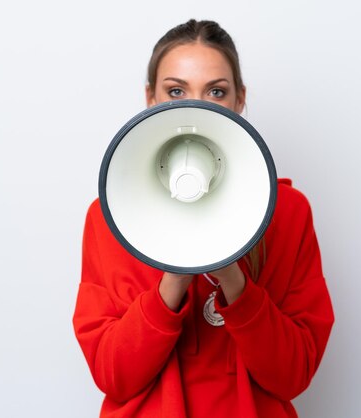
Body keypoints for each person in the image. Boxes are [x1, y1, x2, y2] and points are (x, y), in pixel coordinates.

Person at [73, 19, 334, 418]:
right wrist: (176, 269)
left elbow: (292, 376)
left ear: (240, 99)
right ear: (150, 98)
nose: (195, 106)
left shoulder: (289, 211)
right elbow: (115, 377)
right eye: (176, 91)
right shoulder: (109, 218)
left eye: (216, 91)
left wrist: (232, 275)